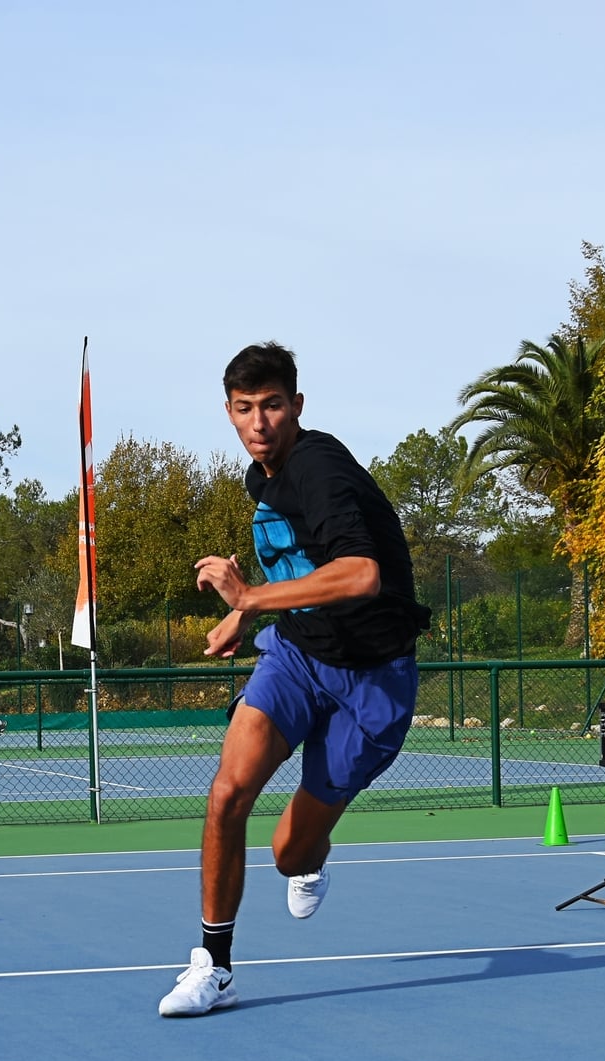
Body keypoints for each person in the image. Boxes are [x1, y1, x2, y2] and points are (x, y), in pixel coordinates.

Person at [159, 342, 431, 1016]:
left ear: (297, 407)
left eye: (273, 406)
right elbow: (298, 571)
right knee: (228, 791)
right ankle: (214, 966)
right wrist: (249, 625)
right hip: (297, 654)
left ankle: (311, 856)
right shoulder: (264, 475)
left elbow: (361, 573)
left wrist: (246, 598)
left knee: (287, 853)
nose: (260, 422)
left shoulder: (318, 468)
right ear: (228, 412)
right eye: (246, 409)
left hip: (374, 682)